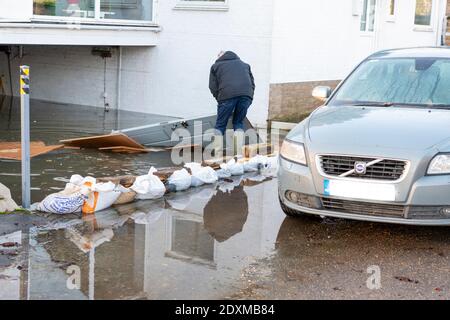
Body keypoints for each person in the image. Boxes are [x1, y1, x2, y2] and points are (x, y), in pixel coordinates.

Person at [209, 51, 255, 155]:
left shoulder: (216, 66)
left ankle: (218, 154)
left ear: (221, 57)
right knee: (238, 122)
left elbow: (212, 86)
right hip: (246, 96)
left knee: (220, 125)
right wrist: (249, 98)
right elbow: (252, 83)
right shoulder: (245, 65)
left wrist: (220, 99)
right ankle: (238, 154)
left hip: (226, 96)